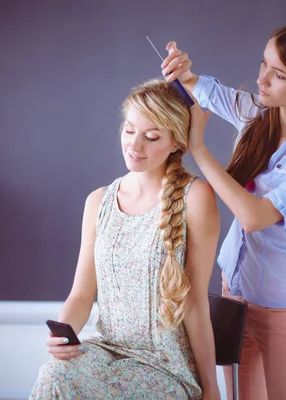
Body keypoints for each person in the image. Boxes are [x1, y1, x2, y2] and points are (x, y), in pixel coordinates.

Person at [161, 22, 286, 400]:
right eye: (264, 64)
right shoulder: (258, 115)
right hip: (236, 296)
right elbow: (205, 89)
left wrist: (198, 148)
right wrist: (181, 72)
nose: (262, 79)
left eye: (278, 74)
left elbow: (254, 216)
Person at [29, 79, 221, 399]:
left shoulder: (196, 198)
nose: (135, 146)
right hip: (104, 350)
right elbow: (81, 294)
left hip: (164, 365)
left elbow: (195, 302)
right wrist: (64, 334)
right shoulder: (98, 202)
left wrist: (211, 388)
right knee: (54, 377)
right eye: (130, 130)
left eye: (151, 137)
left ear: (176, 142)